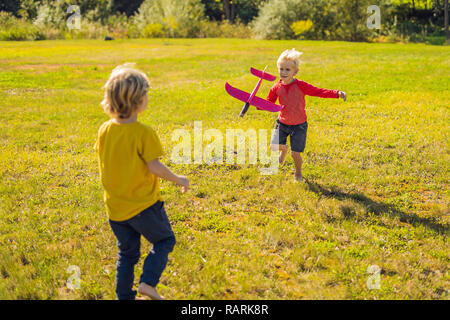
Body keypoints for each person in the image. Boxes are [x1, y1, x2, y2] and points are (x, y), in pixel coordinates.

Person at [94, 63, 189, 300]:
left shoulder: (105, 129)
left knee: (127, 254)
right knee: (165, 239)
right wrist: (178, 179)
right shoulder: (143, 133)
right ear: (139, 100)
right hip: (143, 206)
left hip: (116, 208)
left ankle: (124, 296)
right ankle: (148, 283)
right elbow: (154, 166)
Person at [267, 49, 347, 181]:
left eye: (287, 69)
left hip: (299, 126)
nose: (283, 72)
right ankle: (284, 149)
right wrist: (256, 104)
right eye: (281, 69)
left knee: (295, 153)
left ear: (295, 72)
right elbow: (269, 104)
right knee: (273, 146)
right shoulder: (276, 87)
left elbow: (319, 92)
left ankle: (298, 173)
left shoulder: (300, 85)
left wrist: (336, 93)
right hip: (282, 123)